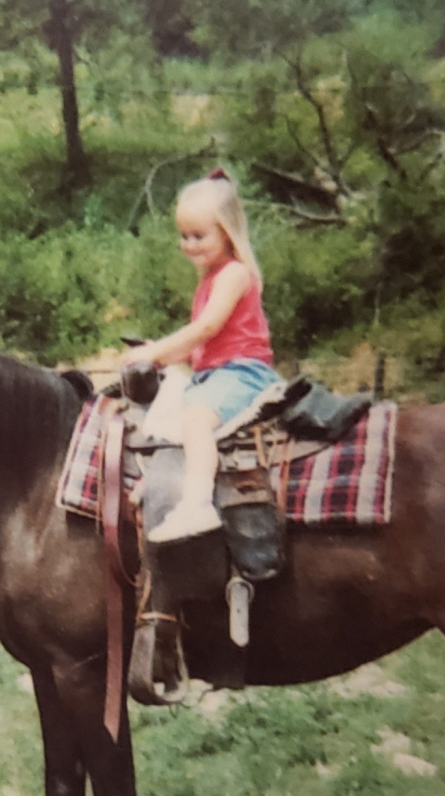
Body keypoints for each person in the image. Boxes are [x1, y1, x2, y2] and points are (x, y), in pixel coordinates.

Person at [122, 168, 281, 542]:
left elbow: (206, 330)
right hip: (213, 373)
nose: (189, 245)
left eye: (199, 236)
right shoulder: (210, 279)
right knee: (163, 410)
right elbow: (202, 346)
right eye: (184, 236)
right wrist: (165, 360)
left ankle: (197, 505)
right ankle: (162, 484)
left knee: (195, 421)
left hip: (242, 372)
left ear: (227, 232)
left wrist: (156, 352)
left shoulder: (234, 275)